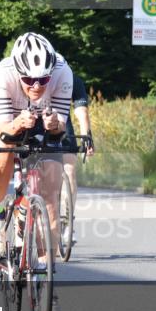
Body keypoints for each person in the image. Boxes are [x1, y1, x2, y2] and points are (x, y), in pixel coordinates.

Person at [0, 32, 72, 257]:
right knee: (4, 148)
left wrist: (54, 123)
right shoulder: (2, 73)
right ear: (18, 72)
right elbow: (5, 130)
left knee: (51, 171)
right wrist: (17, 124)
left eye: (43, 80)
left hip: (37, 117)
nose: (36, 86)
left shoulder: (63, 70)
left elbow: (60, 129)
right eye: (28, 80)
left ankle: (43, 268)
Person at [62, 73, 95, 210]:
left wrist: (87, 139)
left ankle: (67, 219)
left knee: (69, 169)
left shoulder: (69, 77)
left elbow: (82, 113)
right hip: (30, 119)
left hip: (60, 120)